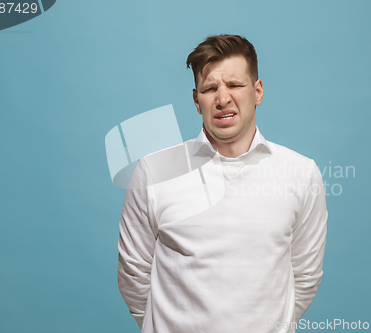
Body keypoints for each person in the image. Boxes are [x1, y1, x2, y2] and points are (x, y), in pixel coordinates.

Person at [117, 34, 328, 333]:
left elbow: (305, 277)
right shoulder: (154, 171)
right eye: (210, 88)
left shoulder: (301, 173)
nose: (223, 98)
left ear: (258, 91)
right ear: (196, 100)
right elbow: (133, 276)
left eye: (235, 85)